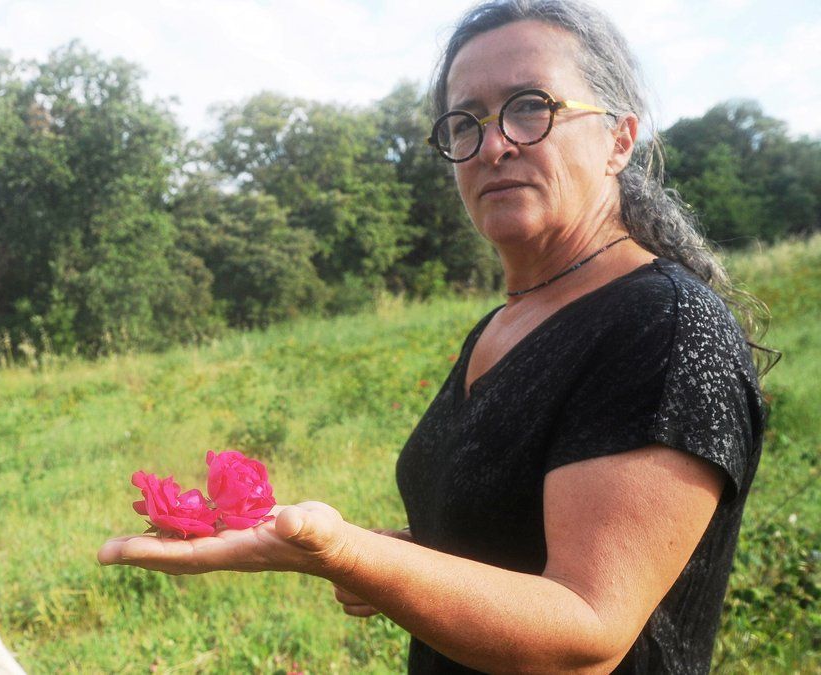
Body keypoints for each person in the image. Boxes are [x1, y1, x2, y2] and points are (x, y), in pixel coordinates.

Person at [98, 1, 768, 672]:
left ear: (619, 139)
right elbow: (504, 535)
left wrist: (346, 552)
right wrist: (391, 555)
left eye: (530, 105)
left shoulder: (664, 327)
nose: (494, 143)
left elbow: (584, 634)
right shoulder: (506, 322)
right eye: (464, 122)